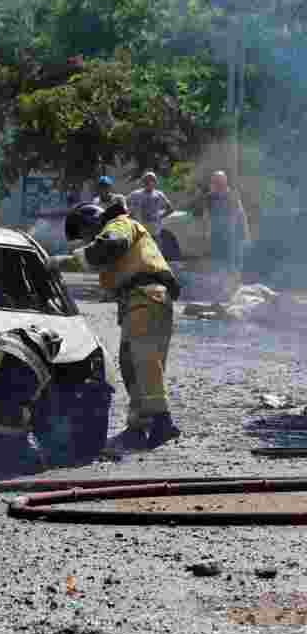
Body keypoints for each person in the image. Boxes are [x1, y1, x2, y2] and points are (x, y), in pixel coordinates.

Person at [49, 197, 181, 450]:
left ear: (93, 224)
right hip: (143, 299)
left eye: (87, 238)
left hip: (145, 297)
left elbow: (111, 245)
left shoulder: (119, 225)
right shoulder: (118, 229)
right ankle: (138, 428)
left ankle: (162, 422)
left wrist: (63, 262)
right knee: (133, 365)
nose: (88, 244)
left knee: (144, 361)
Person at [201, 170, 252, 298]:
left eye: (220, 182)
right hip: (216, 235)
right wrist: (206, 233)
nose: (217, 184)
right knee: (218, 263)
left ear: (224, 182)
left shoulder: (232, 195)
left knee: (232, 263)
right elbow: (206, 216)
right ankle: (221, 291)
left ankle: (234, 290)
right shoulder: (209, 197)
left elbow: (241, 214)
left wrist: (245, 233)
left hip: (231, 235)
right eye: (215, 182)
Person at [126, 171, 173, 242]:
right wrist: (131, 214)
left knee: (156, 251)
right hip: (140, 231)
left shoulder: (159, 194)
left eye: (151, 180)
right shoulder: (136, 194)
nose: (149, 182)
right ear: (143, 181)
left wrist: (160, 216)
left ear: (155, 182)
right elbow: (125, 203)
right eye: (146, 180)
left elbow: (170, 209)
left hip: (155, 231)